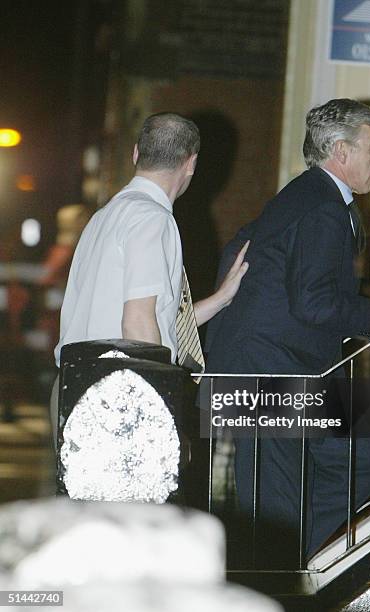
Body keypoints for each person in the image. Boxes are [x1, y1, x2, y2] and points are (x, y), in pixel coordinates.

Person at [205, 99, 370, 564]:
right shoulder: (321, 207)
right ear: (341, 151)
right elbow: (314, 301)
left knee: (365, 459)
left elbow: (246, 250)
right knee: (274, 500)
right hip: (269, 371)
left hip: (280, 365)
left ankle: (289, 558)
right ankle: (272, 574)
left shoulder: (307, 196)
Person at [51, 112, 249, 443]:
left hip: (79, 384)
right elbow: (138, 324)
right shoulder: (152, 219)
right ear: (191, 164)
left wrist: (220, 299)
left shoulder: (106, 216)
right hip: (117, 394)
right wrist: (160, 407)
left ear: (136, 154)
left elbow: (152, 318)